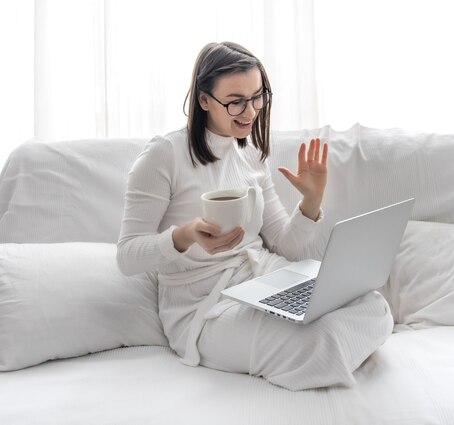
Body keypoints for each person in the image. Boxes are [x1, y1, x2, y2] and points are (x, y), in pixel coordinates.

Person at [117, 41, 393, 391]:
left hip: (265, 277)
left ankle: (328, 348)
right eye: (236, 101)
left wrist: (310, 201)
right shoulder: (164, 155)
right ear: (204, 100)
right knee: (318, 343)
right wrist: (183, 235)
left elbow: (284, 245)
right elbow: (126, 256)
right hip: (204, 305)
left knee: (373, 303)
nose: (250, 111)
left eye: (258, 96)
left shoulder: (251, 153)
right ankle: (332, 350)